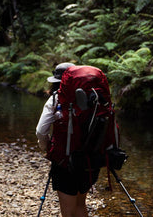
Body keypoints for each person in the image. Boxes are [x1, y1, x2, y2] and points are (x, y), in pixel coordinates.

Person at [36, 62, 99, 217]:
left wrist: (47, 148)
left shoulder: (55, 100)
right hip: (91, 159)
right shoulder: (93, 98)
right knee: (80, 204)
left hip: (65, 162)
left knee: (68, 210)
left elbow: (40, 131)